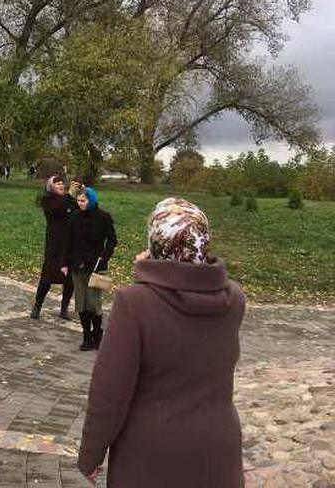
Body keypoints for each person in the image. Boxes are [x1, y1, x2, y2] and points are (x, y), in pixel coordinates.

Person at [78, 198, 245, 487]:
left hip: (150, 452)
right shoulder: (234, 299)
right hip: (219, 449)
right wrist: (153, 271)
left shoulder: (135, 303)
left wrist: (91, 454)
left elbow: (110, 391)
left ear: (156, 242)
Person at [66, 186, 117, 350]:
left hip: (96, 266)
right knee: (81, 303)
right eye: (78, 200)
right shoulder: (74, 217)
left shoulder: (103, 217)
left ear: (91, 200)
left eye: (83, 200)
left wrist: (104, 256)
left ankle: (97, 333)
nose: (80, 203)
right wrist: (65, 263)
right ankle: (86, 336)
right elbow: (68, 241)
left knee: (94, 303)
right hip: (78, 266)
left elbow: (112, 240)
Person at [30, 175, 79, 320]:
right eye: (57, 183)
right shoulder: (47, 199)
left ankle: (64, 309)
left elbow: (79, 212)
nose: (61, 185)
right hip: (55, 244)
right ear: (51, 186)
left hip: (70, 244)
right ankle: (37, 306)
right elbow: (57, 209)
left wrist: (77, 195)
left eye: (62, 183)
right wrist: (69, 195)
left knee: (69, 279)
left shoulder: (69, 199)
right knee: (47, 276)